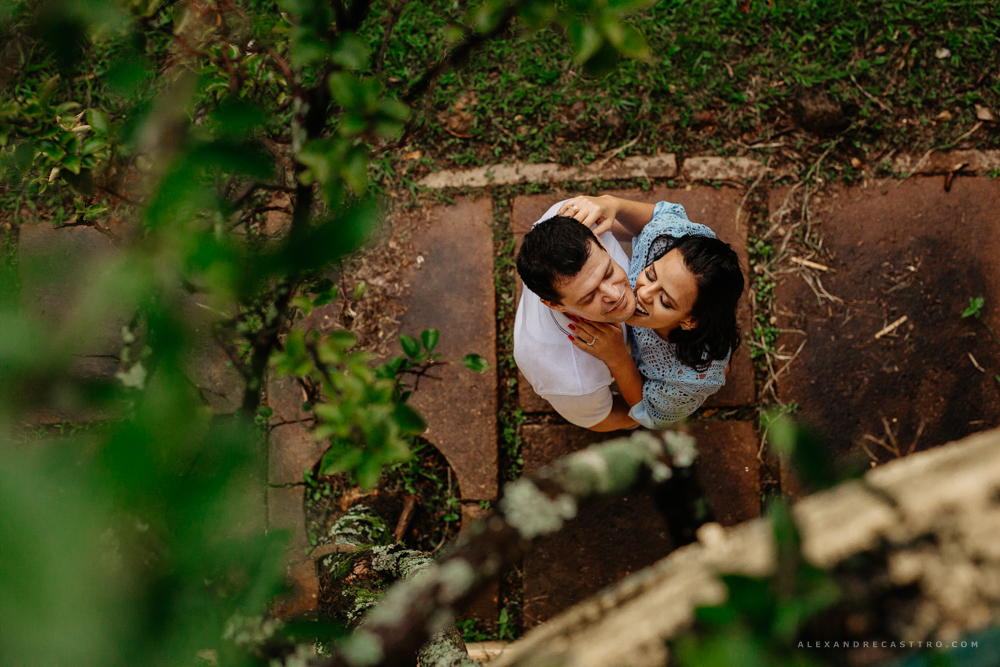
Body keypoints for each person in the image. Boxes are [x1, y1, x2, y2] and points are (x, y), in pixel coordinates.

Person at [514, 194, 743, 430]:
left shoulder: (686, 378)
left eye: (664, 300)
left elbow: (650, 416)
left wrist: (618, 359)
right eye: (651, 274)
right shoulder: (665, 245)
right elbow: (662, 215)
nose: (641, 293)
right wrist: (615, 204)